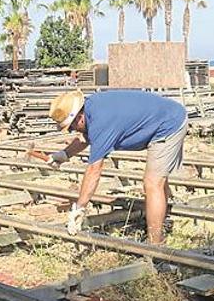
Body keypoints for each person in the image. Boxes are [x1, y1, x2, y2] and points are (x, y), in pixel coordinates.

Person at [47, 89, 188, 245]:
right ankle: (160, 218)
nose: (73, 131)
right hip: (162, 117)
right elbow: (87, 136)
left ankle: (155, 243)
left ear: (79, 118)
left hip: (169, 124)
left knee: (153, 182)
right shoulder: (91, 109)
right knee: (157, 180)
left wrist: (79, 208)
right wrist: (64, 154)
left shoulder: (102, 120)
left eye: (72, 127)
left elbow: (94, 170)